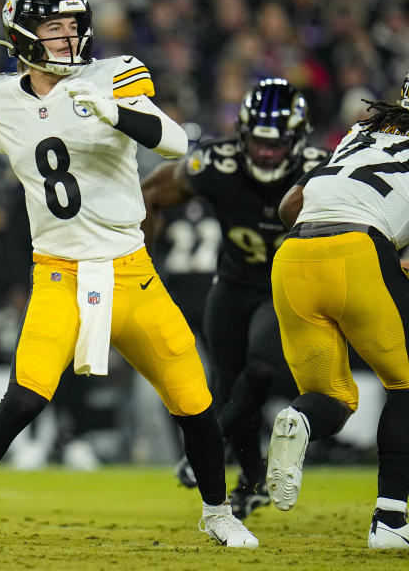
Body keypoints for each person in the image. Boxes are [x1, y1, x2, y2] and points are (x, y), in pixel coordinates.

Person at [0, 0, 257, 548]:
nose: (69, 38)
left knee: (194, 400)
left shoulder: (111, 75)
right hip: (59, 274)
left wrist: (117, 114)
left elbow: (173, 141)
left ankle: (218, 513)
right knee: (24, 396)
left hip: (131, 271)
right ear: (23, 34)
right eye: (54, 27)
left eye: (74, 26)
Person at [266, 51, 409, 550]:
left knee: (331, 398)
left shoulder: (360, 132)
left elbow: (289, 206)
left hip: (293, 257)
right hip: (359, 252)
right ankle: (390, 521)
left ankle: (298, 420)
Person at [141, 77, 326, 518]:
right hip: (231, 285)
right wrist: (140, 261)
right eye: (258, 142)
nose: (265, 153)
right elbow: (150, 193)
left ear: (297, 141)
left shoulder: (323, 171)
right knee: (227, 387)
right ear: (242, 135)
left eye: (277, 144)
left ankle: (207, 448)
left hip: (284, 288)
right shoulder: (215, 164)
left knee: (259, 371)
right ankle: (252, 481)